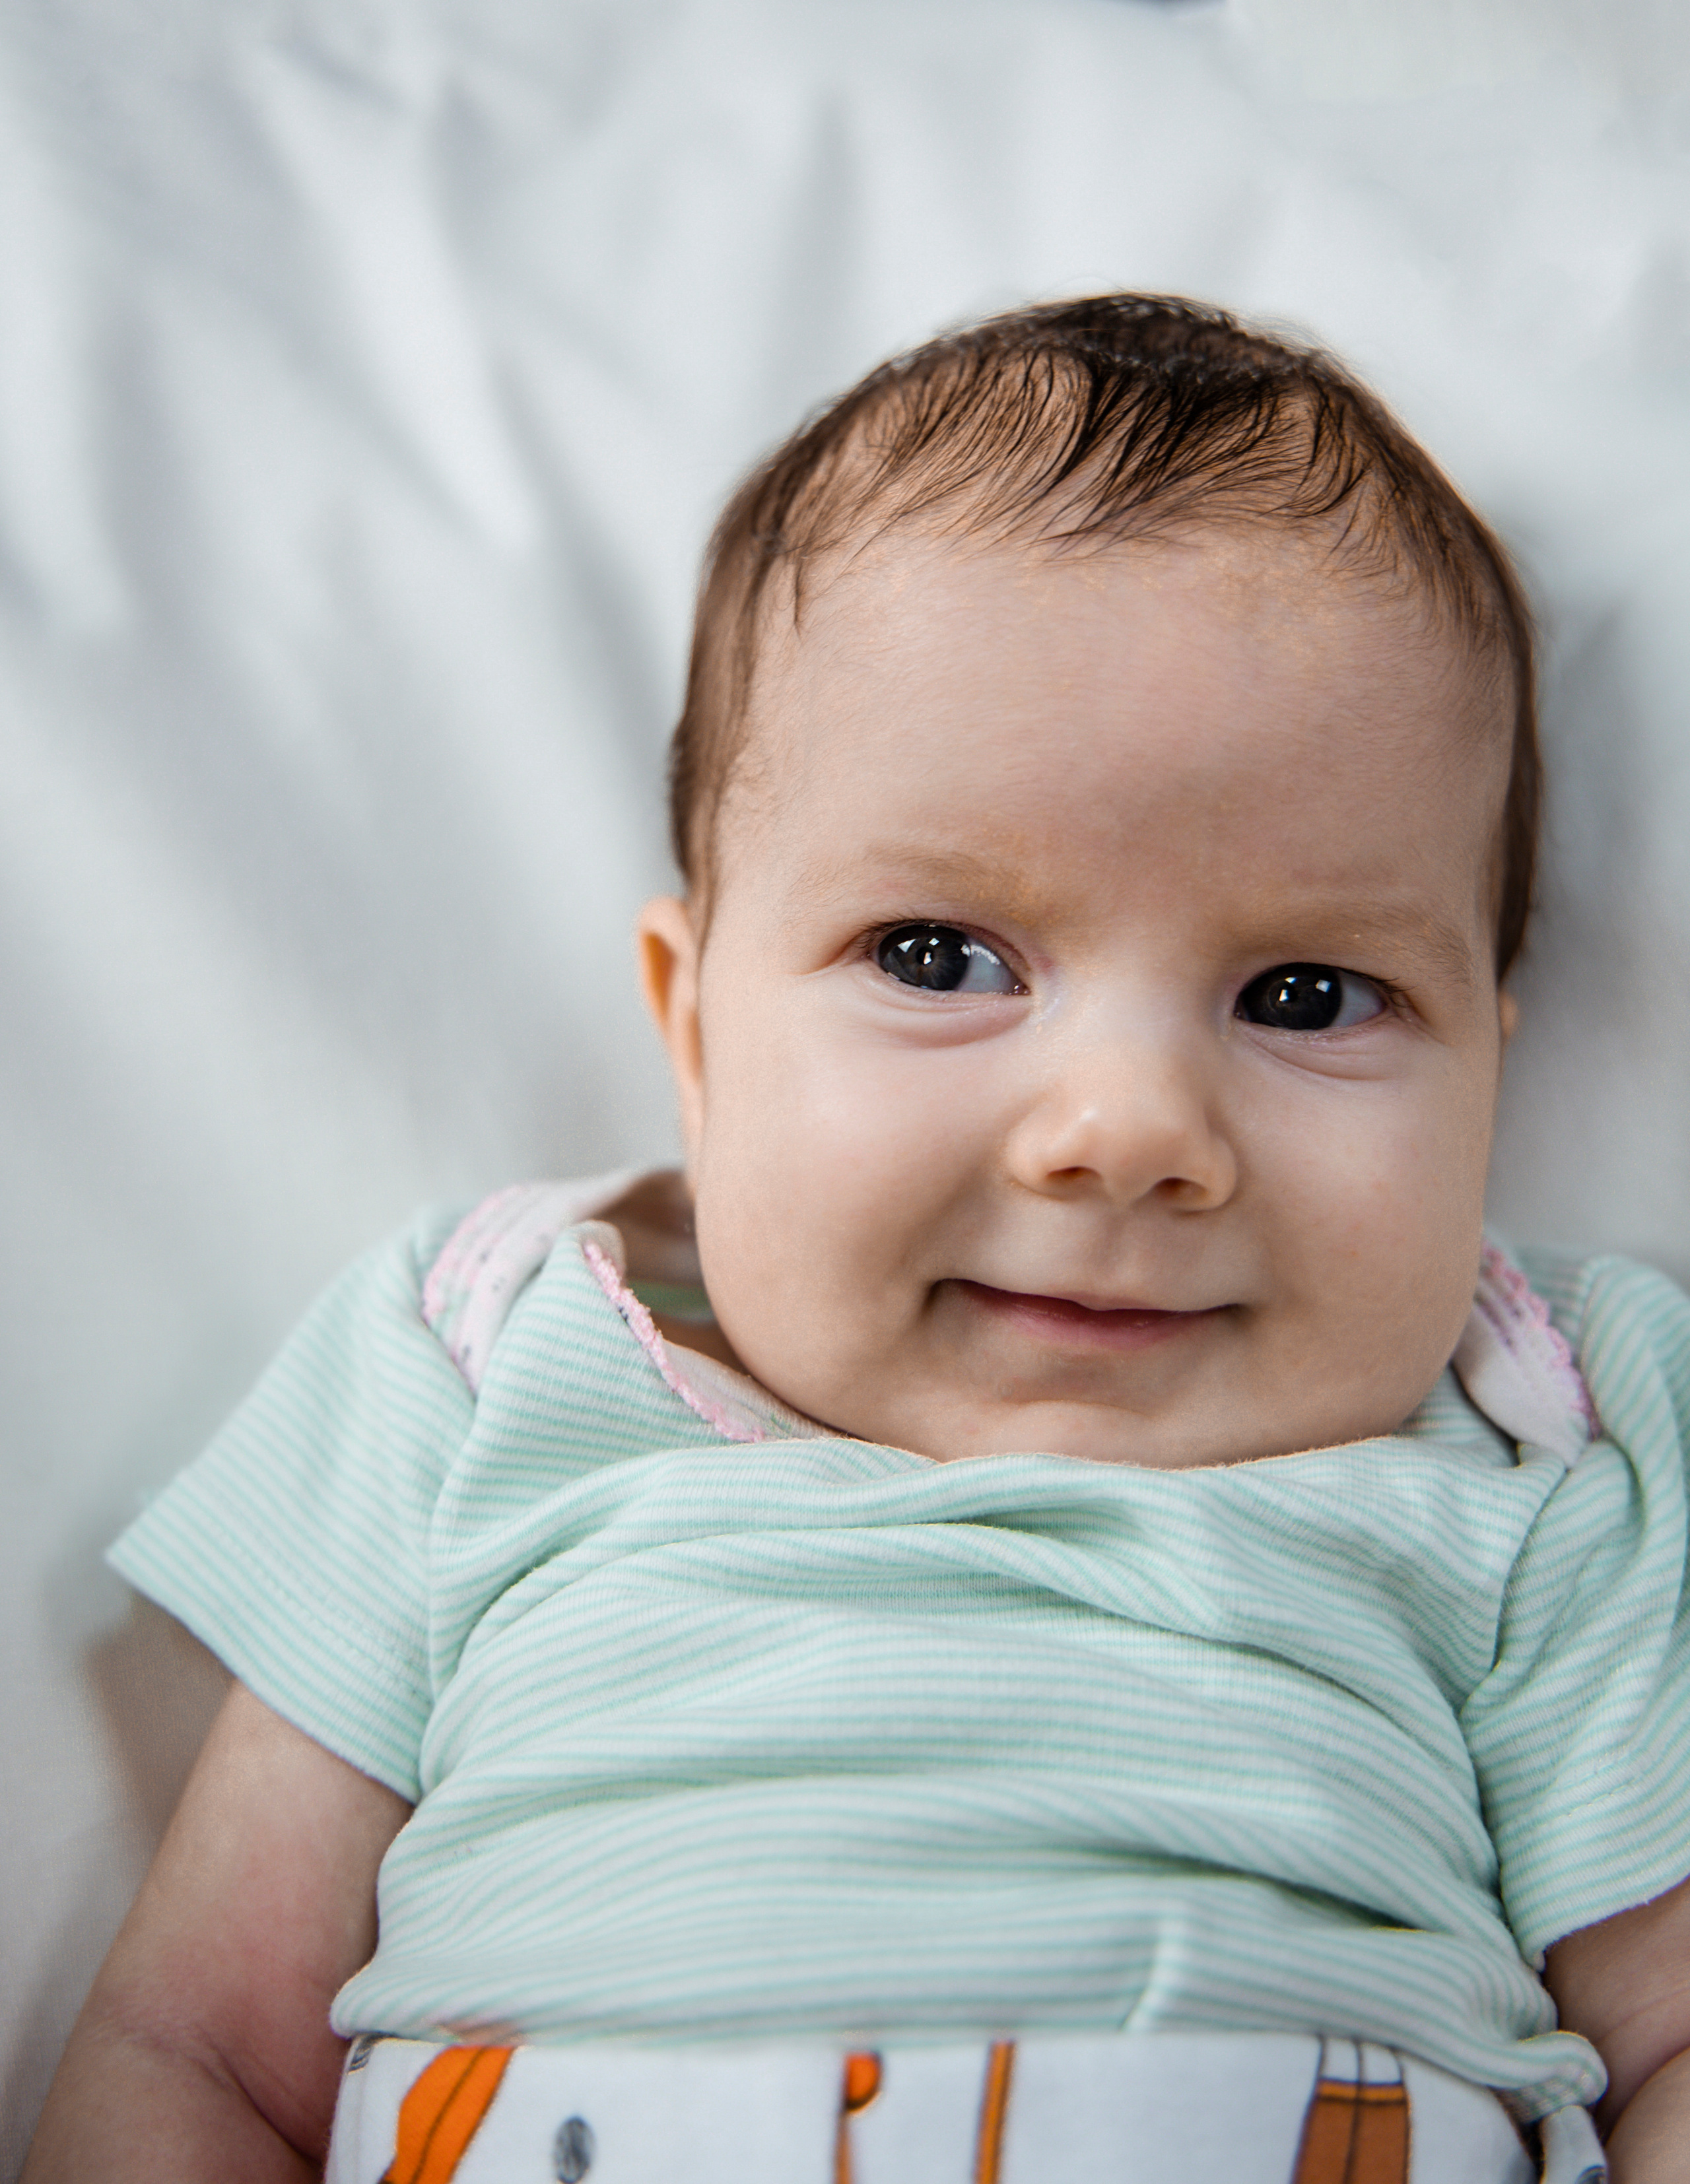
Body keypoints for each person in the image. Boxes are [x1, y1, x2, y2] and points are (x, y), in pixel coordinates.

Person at [24, 296, 1690, 2184]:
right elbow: (202, 2048)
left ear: (1491, 1076)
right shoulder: (482, 1350)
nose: (1126, 1132)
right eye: (937, 957)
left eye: (1309, 995)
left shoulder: (1552, 1434)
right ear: (696, 1034)